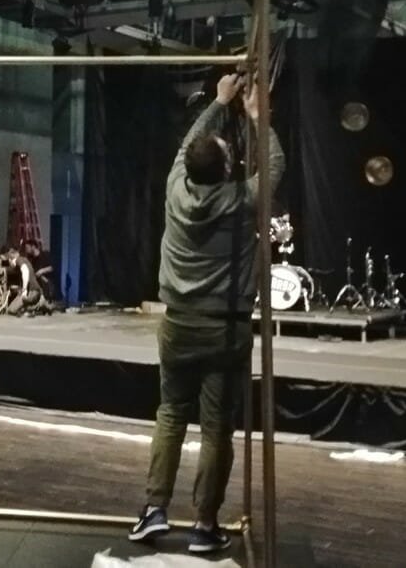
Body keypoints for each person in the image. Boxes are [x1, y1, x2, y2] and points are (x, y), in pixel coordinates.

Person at [130, 72, 284, 555]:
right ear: (227, 169)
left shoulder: (176, 190)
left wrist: (218, 103)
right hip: (224, 330)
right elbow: (274, 164)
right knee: (216, 428)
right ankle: (204, 524)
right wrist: (257, 116)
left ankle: (154, 509)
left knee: (171, 415)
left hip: (179, 324)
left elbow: (186, 148)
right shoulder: (241, 200)